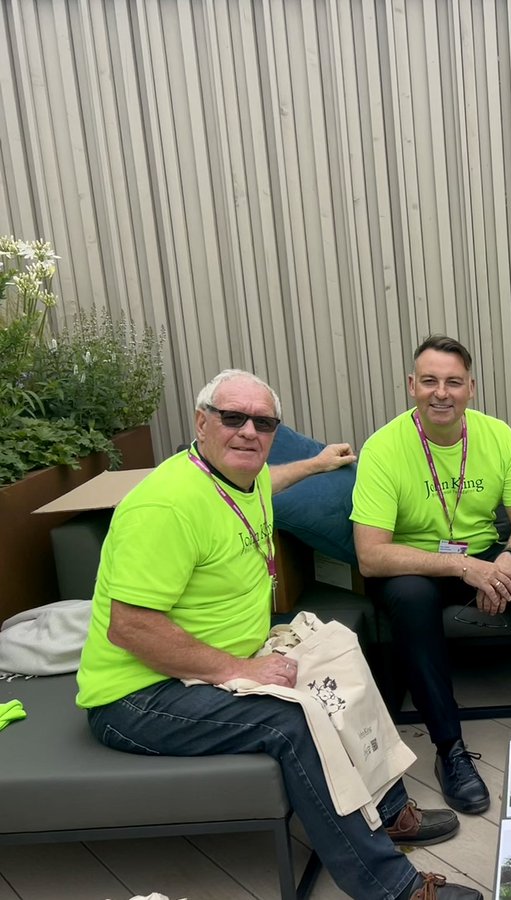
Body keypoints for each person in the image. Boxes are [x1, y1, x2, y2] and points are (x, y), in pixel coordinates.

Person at [76, 369, 479, 900]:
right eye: (233, 418)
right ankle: (393, 888)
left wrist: (316, 464)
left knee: (339, 650)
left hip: (216, 663)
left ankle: (389, 811)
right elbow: (129, 628)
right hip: (141, 695)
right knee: (292, 720)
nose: (248, 432)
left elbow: (271, 479)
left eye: (263, 423)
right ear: (201, 421)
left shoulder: (239, 479)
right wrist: (240, 670)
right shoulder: (166, 504)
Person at [352, 335, 511, 816]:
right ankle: (449, 748)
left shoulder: (495, 434)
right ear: (412, 386)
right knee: (410, 597)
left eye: (453, 382)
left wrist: (506, 563)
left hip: (487, 553)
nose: (441, 392)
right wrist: (464, 567)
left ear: (471, 387)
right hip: (415, 563)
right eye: (429, 381)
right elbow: (371, 555)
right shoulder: (384, 448)